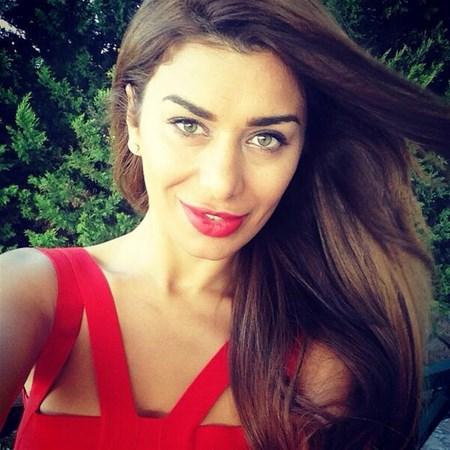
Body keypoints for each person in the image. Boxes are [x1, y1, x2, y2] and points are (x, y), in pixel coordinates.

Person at [1, 0, 449, 449]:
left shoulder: (320, 356)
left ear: (303, 148)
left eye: (266, 138)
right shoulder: (30, 292)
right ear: (133, 120)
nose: (222, 183)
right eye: (188, 124)